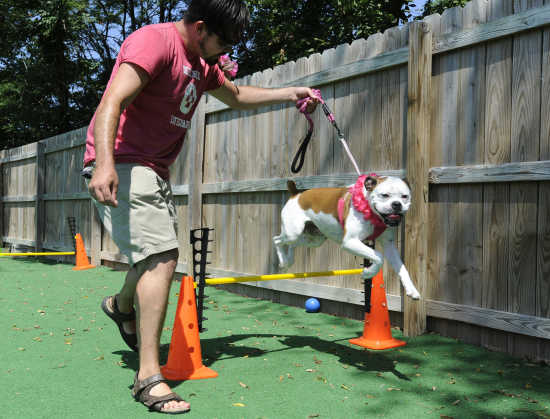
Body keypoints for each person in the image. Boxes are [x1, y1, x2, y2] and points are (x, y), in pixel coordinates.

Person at [83, 0, 319, 414]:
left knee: (150, 254)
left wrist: (291, 93)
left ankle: (121, 307)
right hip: (121, 159)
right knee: (161, 256)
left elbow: (239, 95)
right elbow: (112, 103)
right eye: (223, 41)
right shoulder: (153, 43)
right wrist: (104, 163)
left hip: (155, 170)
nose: (225, 51)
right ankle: (148, 378)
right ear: (200, 27)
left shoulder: (203, 64)